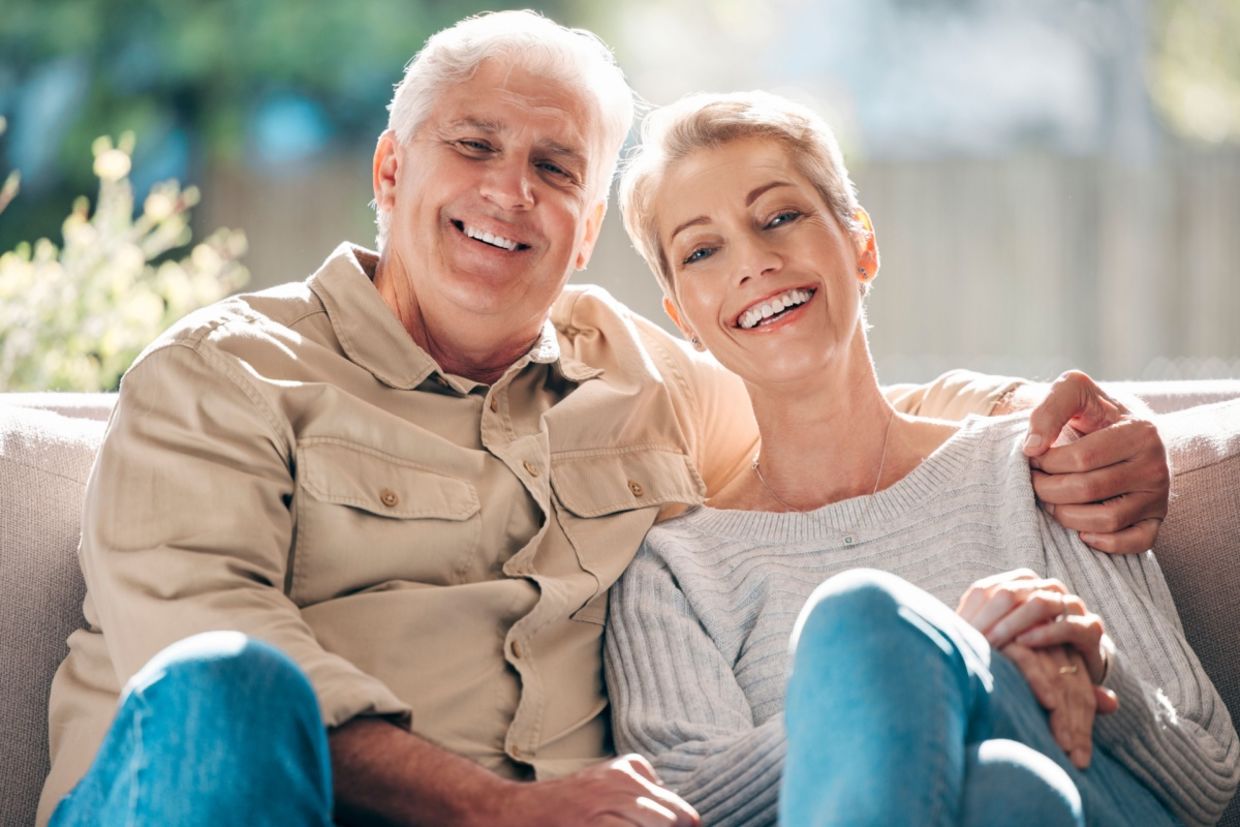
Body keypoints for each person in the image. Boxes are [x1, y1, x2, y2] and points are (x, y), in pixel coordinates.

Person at [40, 11, 1172, 827]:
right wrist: (498, 806)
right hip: (226, 795)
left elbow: (826, 409)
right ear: (390, 168)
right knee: (230, 683)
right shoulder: (224, 374)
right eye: (472, 145)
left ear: (583, 235)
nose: (507, 191)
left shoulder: (636, 374)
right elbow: (190, 643)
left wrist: (1058, 430)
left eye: (553, 166)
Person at [604, 90, 1239, 827]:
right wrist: (963, 660)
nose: (755, 261)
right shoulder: (675, 571)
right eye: (702, 250)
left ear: (860, 244)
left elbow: (1209, 774)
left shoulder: (1037, 471)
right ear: (682, 317)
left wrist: (1094, 673)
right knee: (1006, 790)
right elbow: (681, 809)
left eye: (780, 216)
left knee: (861, 617)